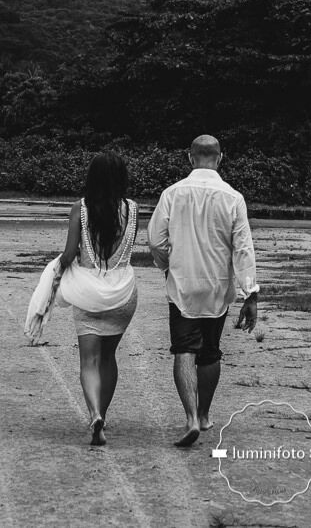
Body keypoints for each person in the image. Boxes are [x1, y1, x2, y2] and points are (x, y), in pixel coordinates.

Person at [147, 135, 259, 448]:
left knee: (183, 348)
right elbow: (243, 248)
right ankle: (205, 414)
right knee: (209, 350)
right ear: (220, 158)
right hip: (217, 287)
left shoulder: (172, 193)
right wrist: (250, 293)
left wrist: (168, 266)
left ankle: (190, 418)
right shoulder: (233, 197)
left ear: (189, 158)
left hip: (182, 284)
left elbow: (155, 239)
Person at [56, 152, 139, 446]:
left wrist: (56, 271)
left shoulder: (80, 209)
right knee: (108, 357)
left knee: (88, 361)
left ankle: (94, 415)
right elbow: (127, 251)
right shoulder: (133, 209)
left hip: (88, 293)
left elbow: (69, 255)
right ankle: (103, 412)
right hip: (122, 294)